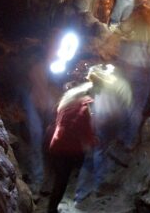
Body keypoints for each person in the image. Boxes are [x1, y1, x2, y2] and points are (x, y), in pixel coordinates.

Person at [46, 67, 121, 213]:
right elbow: (83, 131)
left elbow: (64, 121)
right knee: (62, 182)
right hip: (66, 149)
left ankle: (55, 205)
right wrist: (94, 140)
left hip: (56, 144)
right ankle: (54, 208)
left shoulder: (72, 96)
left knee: (60, 180)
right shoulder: (84, 107)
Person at [116, 5, 150, 151]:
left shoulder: (128, 25)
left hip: (124, 69)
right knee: (136, 107)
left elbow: (117, 41)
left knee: (123, 102)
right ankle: (129, 140)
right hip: (140, 72)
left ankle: (118, 134)